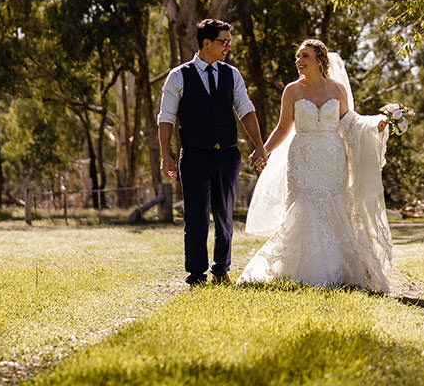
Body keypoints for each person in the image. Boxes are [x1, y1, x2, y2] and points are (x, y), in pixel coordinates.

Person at [237, 39, 392, 292]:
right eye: (297, 57)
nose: (299, 61)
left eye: (304, 56)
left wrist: (376, 124)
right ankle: (296, 268)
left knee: (333, 207)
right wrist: (263, 150)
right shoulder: (292, 91)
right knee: (304, 206)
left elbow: (350, 124)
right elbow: (283, 128)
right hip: (303, 158)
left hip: (332, 158)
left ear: (320, 59)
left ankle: (339, 270)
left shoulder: (337, 89)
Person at [157, 19, 268, 286]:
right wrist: (165, 154)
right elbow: (166, 118)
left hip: (227, 155)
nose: (228, 46)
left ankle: (221, 269)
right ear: (206, 43)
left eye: (229, 41)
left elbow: (246, 110)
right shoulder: (178, 75)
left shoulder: (232, 74)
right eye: (223, 41)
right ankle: (196, 274)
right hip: (194, 156)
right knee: (195, 217)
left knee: (225, 215)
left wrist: (260, 146)